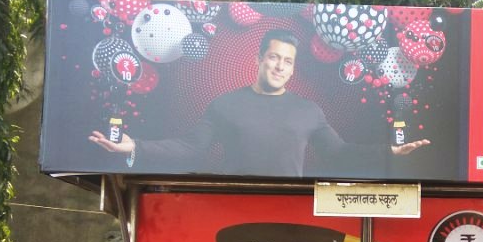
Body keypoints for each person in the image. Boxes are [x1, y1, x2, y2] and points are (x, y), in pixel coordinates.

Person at [89, 28, 430, 175]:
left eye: (288, 61)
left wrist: (389, 152)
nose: (280, 66)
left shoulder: (308, 111)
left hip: (289, 211)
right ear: (258, 59)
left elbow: (339, 152)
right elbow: (189, 148)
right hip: (233, 208)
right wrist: (135, 146)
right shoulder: (224, 105)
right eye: (273, 58)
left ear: (293, 67)